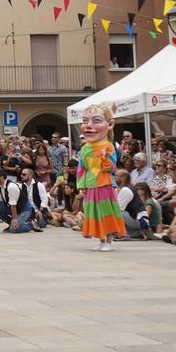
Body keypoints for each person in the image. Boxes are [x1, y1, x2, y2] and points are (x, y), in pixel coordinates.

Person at [77, 104, 126, 251]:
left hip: (105, 183)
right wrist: (81, 186)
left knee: (106, 212)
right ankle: (101, 239)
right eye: (85, 121)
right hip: (91, 184)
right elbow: (81, 169)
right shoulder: (84, 149)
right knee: (94, 213)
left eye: (96, 121)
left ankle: (109, 241)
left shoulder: (109, 146)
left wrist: (105, 159)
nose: (89, 126)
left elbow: (112, 168)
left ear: (110, 124)